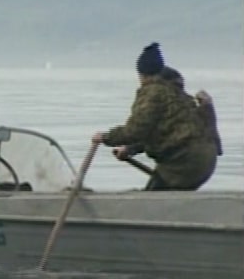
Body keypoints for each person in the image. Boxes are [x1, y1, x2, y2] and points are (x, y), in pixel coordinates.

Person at [92, 42, 217, 191]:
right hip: (205, 160)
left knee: (153, 195)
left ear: (141, 74)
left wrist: (105, 137)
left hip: (182, 162)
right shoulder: (177, 94)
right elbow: (164, 131)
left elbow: (136, 130)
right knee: (160, 191)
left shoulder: (153, 92)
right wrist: (130, 149)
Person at [114, 65, 223, 161]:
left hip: (185, 160)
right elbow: (158, 134)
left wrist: (208, 108)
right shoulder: (177, 108)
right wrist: (129, 149)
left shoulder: (180, 109)